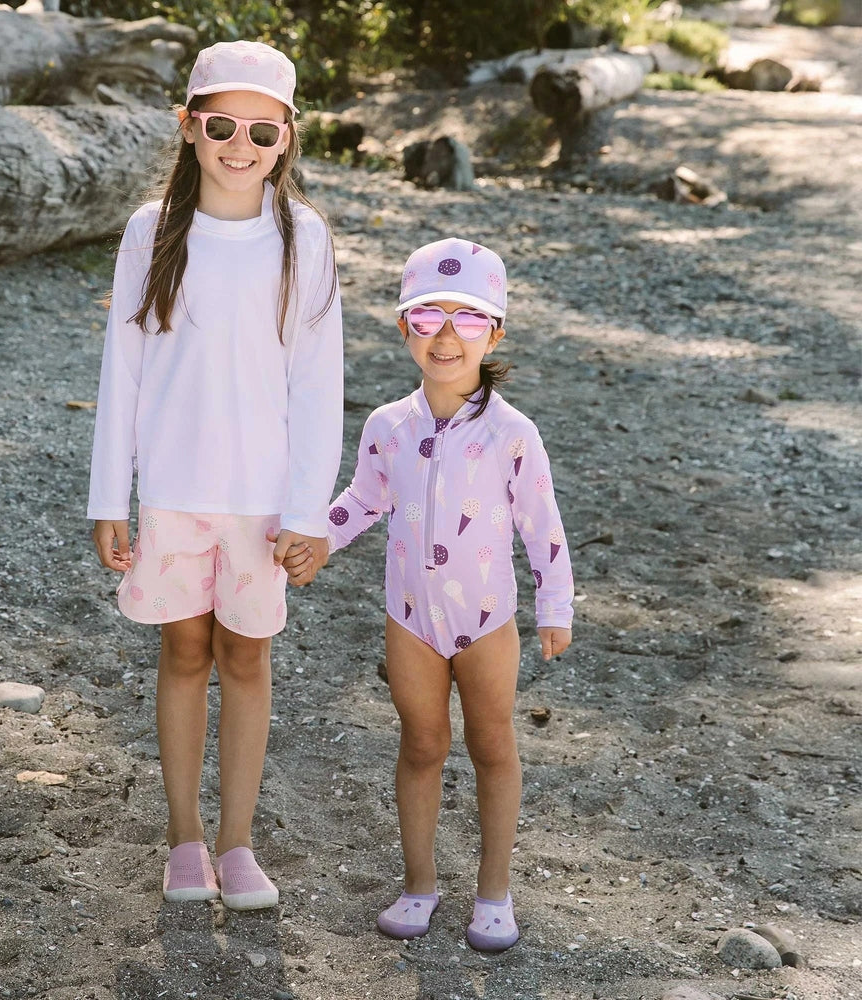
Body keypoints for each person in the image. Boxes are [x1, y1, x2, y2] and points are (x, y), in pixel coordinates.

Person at [87, 39, 343, 911]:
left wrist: (311, 510)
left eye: (262, 131)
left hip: (262, 502)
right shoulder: (150, 230)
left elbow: (318, 386)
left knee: (246, 656)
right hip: (171, 492)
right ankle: (185, 839)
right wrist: (107, 497)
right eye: (222, 125)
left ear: (287, 137)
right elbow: (121, 370)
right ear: (190, 127)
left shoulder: (302, 238)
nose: (242, 146)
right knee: (184, 650)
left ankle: (238, 842)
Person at [289, 237, 572, 950]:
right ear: (404, 328)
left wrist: (555, 605)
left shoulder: (513, 433)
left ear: (495, 332)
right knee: (420, 744)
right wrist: (318, 536)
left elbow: (542, 522)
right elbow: (361, 499)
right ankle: (419, 886)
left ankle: (494, 893)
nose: (446, 337)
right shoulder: (388, 426)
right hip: (410, 621)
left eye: (468, 320)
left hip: (487, 623)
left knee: (493, 746)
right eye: (427, 319)